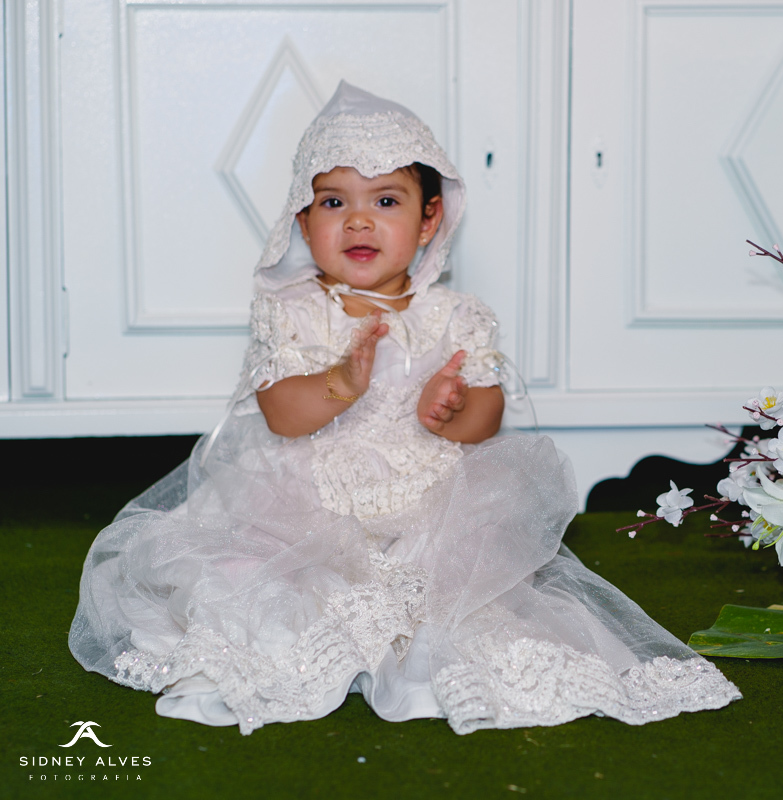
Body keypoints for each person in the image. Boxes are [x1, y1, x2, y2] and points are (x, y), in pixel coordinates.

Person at [68, 82, 740, 735]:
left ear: (429, 221)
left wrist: (451, 410)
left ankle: (425, 657)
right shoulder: (292, 309)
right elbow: (281, 414)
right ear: (303, 222)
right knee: (262, 583)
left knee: (460, 590)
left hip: (427, 501)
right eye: (334, 202)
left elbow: (486, 418)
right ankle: (299, 647)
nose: (358, 220)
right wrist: (339, 383)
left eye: (385, 200)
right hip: (305, 499)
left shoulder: (456, 315)